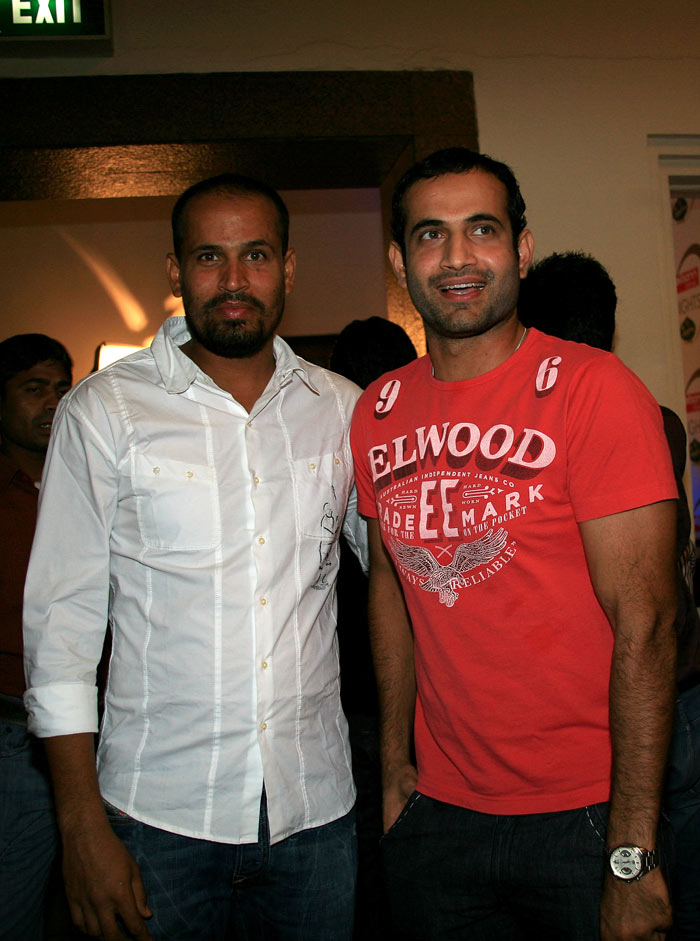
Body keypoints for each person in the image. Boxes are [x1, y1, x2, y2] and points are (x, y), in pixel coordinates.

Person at [23, 174, 366, 941]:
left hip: (316, 815)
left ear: (289, 267)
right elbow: (62, 630)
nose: (235, 280)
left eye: (257, 255)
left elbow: (405, 576)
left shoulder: (341, 409)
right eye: (210, 257)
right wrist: (81, 826)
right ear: (176, 271)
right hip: (156, 818)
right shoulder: (104, 411)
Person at [350, 148, 679, 939]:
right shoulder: (378, 411)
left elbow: (651, 626)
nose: (457, 258)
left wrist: (630, 852)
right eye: (431, 235)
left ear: (521, 248)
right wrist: (395, 767)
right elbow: (391, 585)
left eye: (482, 230)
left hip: (587, 817)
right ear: (400, 260)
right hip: (438, 816)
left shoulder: (593, 389)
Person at [521, 250, 700, 940]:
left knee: (611, 882)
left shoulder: (558, 430)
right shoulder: (660, 416)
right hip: (681, 680)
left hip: (623, 699)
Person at [330, 317, 417, 941]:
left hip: (346, 701)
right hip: (396, 702)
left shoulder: (326, 456)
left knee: (362, 866)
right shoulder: (410, 457)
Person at [0, 334, 72, 941]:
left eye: (60, 389)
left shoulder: (84, 481)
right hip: (12, 731)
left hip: (91, 729)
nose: (52, 403)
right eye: (33, 389)